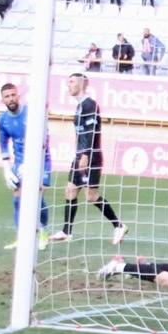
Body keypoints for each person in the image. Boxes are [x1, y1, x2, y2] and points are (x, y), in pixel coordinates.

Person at [48, 74, 128, 245]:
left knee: (91, 196)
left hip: (90, 156)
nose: (68, 85)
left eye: (72, 82)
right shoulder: (79, 106)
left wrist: (84, 155)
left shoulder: (90, 104)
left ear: (82, 84)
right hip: (80, 155)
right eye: (67, 81)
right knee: (70, 190)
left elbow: (91, 132)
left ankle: (119, 226)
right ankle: (66, 231)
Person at [0, 83, 51, 250]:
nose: (11, 98)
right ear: (3, 100)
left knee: (36, 196)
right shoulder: (3, 119)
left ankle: (43, 233)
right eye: (7, 96)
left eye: (13, 95)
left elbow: (45, 138)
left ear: (18, 96)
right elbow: (3, 144)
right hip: (19, 163)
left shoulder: (31, 113)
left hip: (41, 160)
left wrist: (32, 163)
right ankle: (22, 237)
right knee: (17, 200)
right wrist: (7, 169)